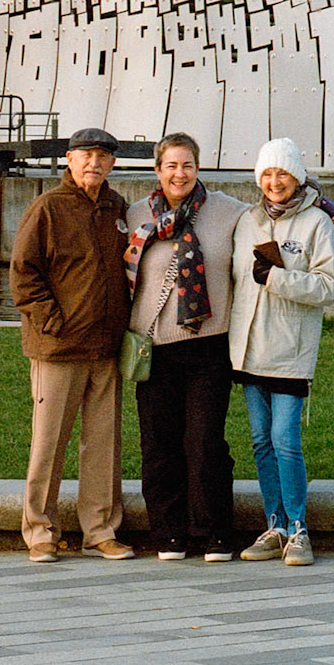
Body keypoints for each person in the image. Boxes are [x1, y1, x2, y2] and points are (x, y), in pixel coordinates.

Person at [9, 127, 135, 563]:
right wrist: (52, 322)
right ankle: (39, 530)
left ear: (112, 164)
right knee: (49, 443)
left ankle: (100, 530)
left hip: (106, 348)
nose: (93, 164)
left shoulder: (117, 208)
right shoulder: (48, 207)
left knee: (103, 446)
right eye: (85, 155)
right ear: (69, 159)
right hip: (59, 348)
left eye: (102, 157)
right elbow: (23, 274)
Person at [125, 133, 244, 562]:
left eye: (188, 165)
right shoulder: (137, 214)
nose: (180, 174)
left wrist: (320, 205)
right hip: (154, 349)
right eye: (171, 166)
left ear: (198, 168)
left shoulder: (228, 212)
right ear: (158, 170)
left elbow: (274, 215)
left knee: (205, 442)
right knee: (159, 444)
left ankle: (214, 530)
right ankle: (169, 532)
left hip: (208, 347)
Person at [229, 137, 334, 568]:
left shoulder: (316, 224)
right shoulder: (248, 221)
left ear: (297, 177)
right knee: (260, 442)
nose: (275, 182)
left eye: (283, 174)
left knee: (284, 439)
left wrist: (278, 279)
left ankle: (299, 528)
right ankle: (274, 524)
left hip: (290, 349)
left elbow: (329, 288)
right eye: (268, 174)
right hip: (249, 347)